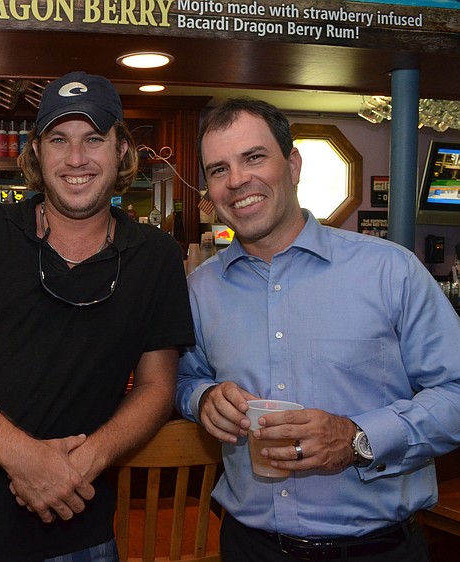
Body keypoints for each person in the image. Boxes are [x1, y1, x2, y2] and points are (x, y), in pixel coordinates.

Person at [0, 71, 195, 562]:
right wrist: (26, 458)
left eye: (93, 139)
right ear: (37, 151)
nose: (76, 159)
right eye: (58, 139)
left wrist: (79, 466)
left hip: (78, 527)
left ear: (121, 149)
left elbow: (156, 387)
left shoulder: (157, 256)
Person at [176, 97, 460, 562]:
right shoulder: (200, 289)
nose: (237, 181)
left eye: (254, 157)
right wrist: (201, 398)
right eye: (218, 169)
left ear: (292, 164)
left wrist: (357, 438)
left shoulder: (390, 271)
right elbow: (186, 378)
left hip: (378, 549)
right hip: (251, 547)